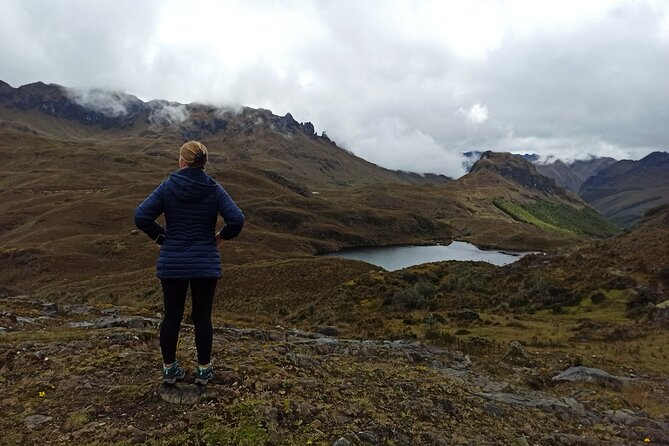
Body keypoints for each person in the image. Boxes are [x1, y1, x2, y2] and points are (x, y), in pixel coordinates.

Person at [134, 140, 244, 385]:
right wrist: (219, 239)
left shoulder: (168, 186)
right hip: (205, 262)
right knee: (202, 318)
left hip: (173, 262)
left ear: (182, 161)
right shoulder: (214, 188)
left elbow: (141, 216)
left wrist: (161, 237)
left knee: (171, 316)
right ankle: (204, 370)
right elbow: (236, 219)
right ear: (204, 163)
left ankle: (169, 370)